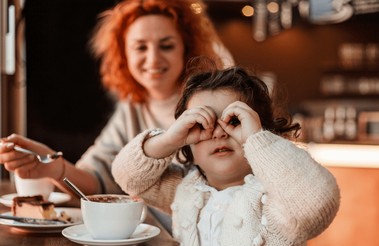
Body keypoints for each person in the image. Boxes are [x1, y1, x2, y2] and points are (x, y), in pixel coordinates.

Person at [0, 0, 233, 196]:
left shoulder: (210, 104)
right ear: (124, 55)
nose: (153, 59)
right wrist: (53, 167)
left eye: (166, 46)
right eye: (140, 48)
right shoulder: (132, 106)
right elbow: (98, 178)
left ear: (186, 48)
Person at [112, 62, 340, 246]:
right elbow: (128, 176)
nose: (219, 133)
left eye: (235, 122)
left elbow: (317, 203)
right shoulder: (185, 187)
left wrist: (256, 139)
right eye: (201, 124)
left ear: (263, 133)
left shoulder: (275, 200)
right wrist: (169, 138)